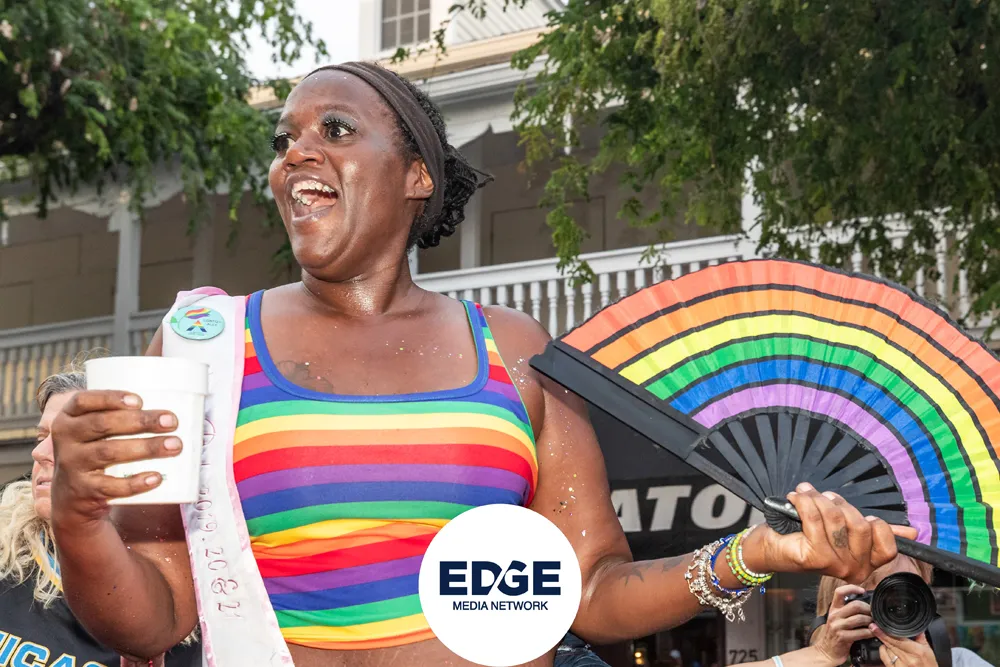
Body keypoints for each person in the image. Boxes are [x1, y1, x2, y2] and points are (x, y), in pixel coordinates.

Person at [48, 61, 916, 666]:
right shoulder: (203, 346)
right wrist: (79, 516)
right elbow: (152, 617)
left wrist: (752, 552)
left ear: (417, 176)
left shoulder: (516, 350)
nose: (294, 156)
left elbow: (590, 592)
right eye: (284, 140)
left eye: (334, 129)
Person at [0, 369, 200, 667]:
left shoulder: (197, 594)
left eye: (74, 439)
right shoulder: (6, 552)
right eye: (42, 436)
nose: (39, 452)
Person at [810, 555, 995, 667]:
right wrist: (824, 656)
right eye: (877, 600)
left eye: (909, 597)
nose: (896, 610)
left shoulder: (961, 662)